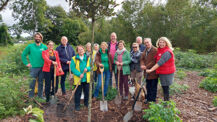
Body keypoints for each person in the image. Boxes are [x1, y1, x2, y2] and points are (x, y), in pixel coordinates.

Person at [146, 37, 176, 101]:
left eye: (163, 42)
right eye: (160, 42)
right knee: (163, 86)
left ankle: (166, 102)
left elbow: (160, 63)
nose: (161, 44)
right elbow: (155, 59)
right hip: (161, 71)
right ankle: (165, 101)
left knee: (165, 87)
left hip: (167, 72)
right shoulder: (159, 50)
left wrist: (151, 70)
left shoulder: (167, 52)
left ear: (166, 43)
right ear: (158, 43)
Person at [21, 32, 47, 98]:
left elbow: (48, 56)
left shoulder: (44, 47)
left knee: (41, 82)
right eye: (36, 37)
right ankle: (31, 96)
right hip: (33, 68)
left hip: (42, 67)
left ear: (41, 38)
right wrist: (26, 63)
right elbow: (23, 55)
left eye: (39, 37)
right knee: (32, 82)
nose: (38, 38)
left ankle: (40, 96)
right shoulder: (30, 46)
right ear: (34, 38)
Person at [71, 45, 91, 111]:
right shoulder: (74, 58)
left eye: (82, 49)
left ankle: (86, 104)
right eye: (79, 50)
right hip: (78, 79)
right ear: (77, 51)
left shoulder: (88, 58)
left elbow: (91, 66)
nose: (81, 51)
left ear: (84, 50)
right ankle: (77, 105)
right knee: (77, 93)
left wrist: (87, 69)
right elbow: (73, 68)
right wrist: (79, 74)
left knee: (87, 92)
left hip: (86, 78)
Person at [140, 38, 159, 103]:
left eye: (147, 42)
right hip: (146, 72)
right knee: (148, 86)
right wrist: (142, 65)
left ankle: (153, 100)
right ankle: (148, 99)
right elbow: (142, 59)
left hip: (153, 72)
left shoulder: (155, 50)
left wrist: (146, 66)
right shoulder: (145, 50)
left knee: (153, 86)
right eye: (145, 43)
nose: (146, 44)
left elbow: (154, 61)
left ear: (150, 42)